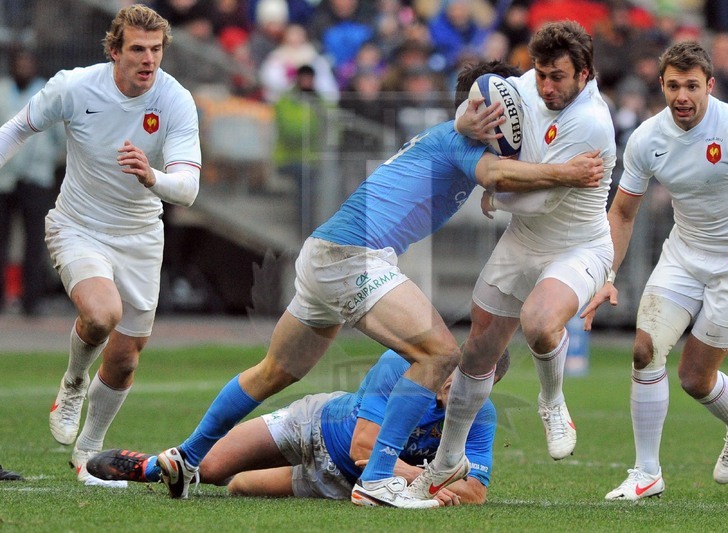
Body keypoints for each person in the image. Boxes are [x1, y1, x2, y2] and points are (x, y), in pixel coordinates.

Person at [145, 59, 604, 507]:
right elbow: (498, 173)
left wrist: (499, 193)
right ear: (488, 107)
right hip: (353, 256)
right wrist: (568, 172)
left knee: (275, 370)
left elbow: (497, 177)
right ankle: (379, 479)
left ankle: (187, 456)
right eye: (515, 107)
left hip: (326, 251)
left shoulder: (455, 139)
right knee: (440, 355)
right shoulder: (460, 140)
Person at [401, 20, 616, 503]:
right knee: (477, 352)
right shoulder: (520, 87)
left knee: (539, 323)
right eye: (540, 73)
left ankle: (552, 401)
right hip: (522, 240)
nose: (546, 86)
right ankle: (446, 462)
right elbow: (469, 107)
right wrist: (468, 128)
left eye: (558, 77)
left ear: (584, 74)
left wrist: (496, 188)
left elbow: (538, 201)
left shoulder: (592, 122)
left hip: (579, 245)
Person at [581, 41, 728, 500]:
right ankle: (646, 473)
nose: (682, 96)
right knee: (644, 350)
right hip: (683, 256)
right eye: (674, 86)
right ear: (661, 85)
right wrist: (606, 276)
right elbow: (622, 213)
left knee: (694, 378)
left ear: (710, 86)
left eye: (692, 86)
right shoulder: (647, 138)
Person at [0, 4, 201, 487]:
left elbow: (188, 188)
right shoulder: (74, 87)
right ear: (114, 50)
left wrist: (152, 177)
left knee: (126, 359)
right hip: (78, 226)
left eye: (156, 50)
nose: (148, 59)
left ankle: (88, 453)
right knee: (101, 314)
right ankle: (73, 382)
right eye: (138, 49)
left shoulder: (175, 100)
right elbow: (18, 127)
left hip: (141, 236)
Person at [88, 348, 510, 505]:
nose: (460, 393)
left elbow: (475, 492)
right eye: (459, 380)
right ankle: (146, 466)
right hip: (314, 425)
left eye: (476, 390)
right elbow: (364, 448)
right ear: (454, 364)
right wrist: (430, 480)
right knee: (211, 468)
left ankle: (241, 471)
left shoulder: (480, 415)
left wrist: (430, 482)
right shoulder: (400, 365)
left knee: (238, 487)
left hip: (341, 484)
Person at [0, 48, 65, 316]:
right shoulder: (2, 91)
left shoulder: (46, 92)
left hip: (37, 177)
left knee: (35, 240)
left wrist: (46, 158)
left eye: (28, 63)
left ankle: (32, 300)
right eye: (19, 63)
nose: (23, 67)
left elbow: (61, 138)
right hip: (4, 178)